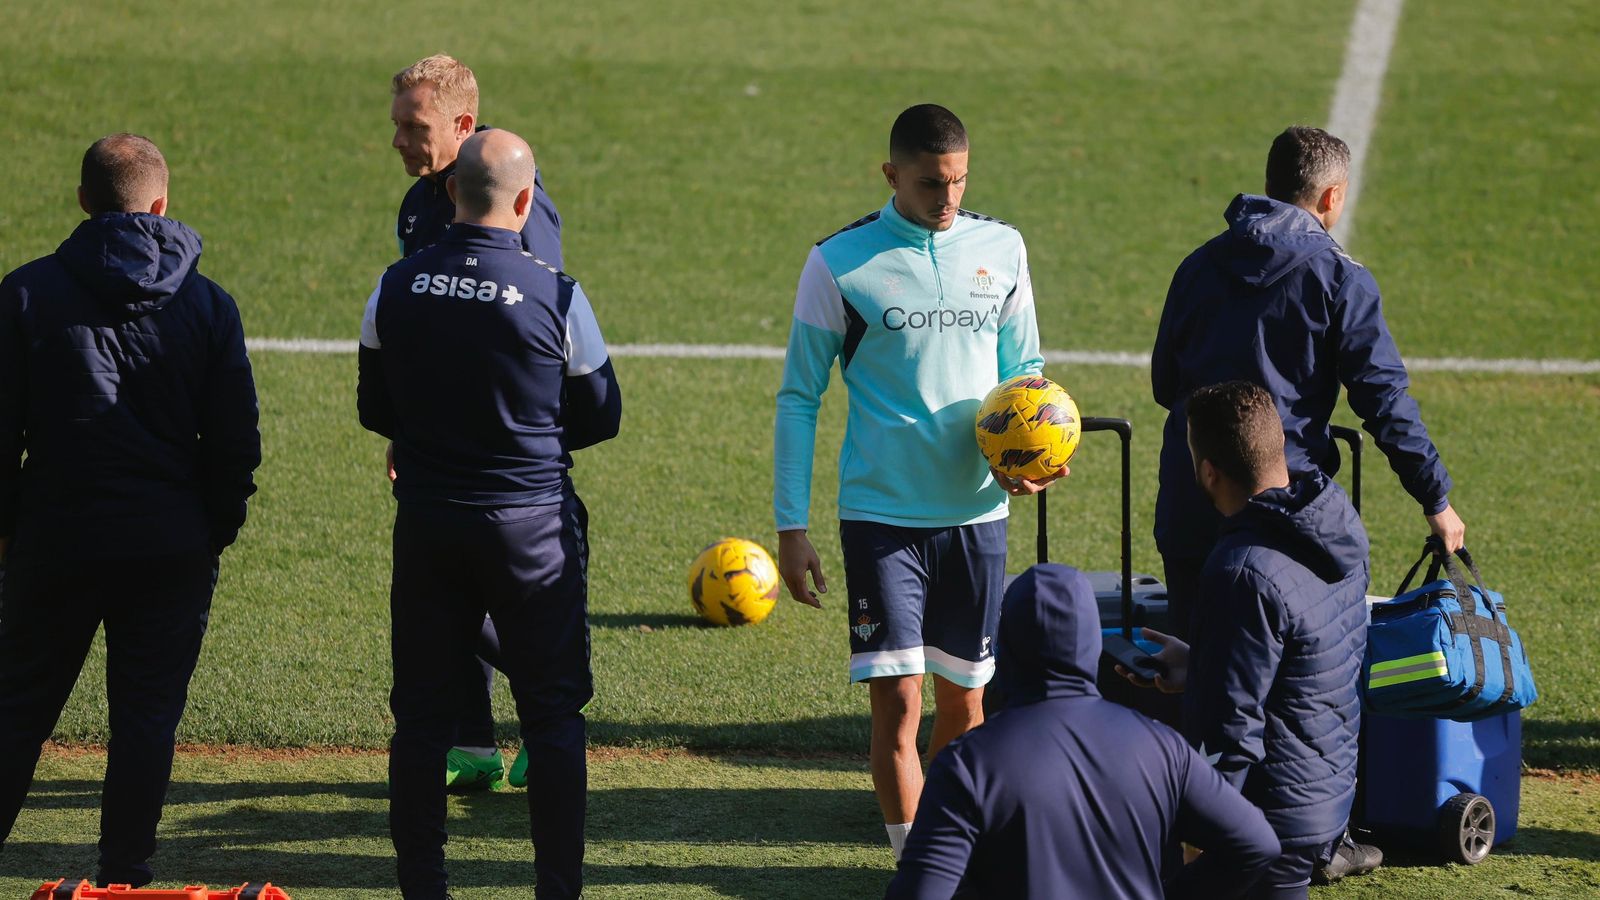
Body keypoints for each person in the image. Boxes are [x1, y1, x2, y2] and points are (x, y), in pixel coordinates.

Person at [773, 103, 1062, 861]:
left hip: (976, 515)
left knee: (965, 703)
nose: (949, 199)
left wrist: (1028, 459)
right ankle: (916, 867)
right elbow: (800, 398)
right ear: (891, 175)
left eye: (960, 181)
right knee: (897, 700)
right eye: (933, 184)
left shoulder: (1001, 248)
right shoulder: (840, 262)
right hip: (881, 517)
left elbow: (1024, 374)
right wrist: (790, 526)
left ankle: (950, 848)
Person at [358, 128, 620, 899]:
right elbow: (601, 414)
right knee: (554, 715)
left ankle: (424, 889)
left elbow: (377, 407)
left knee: (420, 719)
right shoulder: (558, 293)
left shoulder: (394, 285)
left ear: (448, 194)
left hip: (431, 520)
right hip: (531, 527)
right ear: (526, 199)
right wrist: (523, 434)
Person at [0, 133, 261, 887]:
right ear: (160, 204)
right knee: (146, 716)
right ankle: (124, 874)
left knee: (17, 707)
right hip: (170, 544)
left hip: (56, 538)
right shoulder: (210, 304)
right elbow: (235, 442)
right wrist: (214, 527)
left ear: (84, 201)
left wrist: (10, 526)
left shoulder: (24, 293)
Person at [1152, 125, 1464, 645]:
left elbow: (1166, 384)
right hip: (1284, 510)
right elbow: (1383, 400)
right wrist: (1435, 498)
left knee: (1199, 676)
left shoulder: (1197, 265)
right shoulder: (1341, 279)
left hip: (1193, 500)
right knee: (1290, 684)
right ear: (1330, 195)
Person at [887, 563, 1281, 899]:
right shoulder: (1161, 746)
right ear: (1093, 642)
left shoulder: (968, 762)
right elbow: (1255, 845)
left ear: (1007, 647)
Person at [388, 52, 566, 790]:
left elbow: (540, 316)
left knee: (487, 591)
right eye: (397, 123)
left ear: (462, 126)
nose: (398, 139)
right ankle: (472, 744)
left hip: (500, 444)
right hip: (436, 435)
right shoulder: (421, 198)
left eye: (414, 125)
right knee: (446, 585)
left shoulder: (509, 193)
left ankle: (552, 703)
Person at [1123, 381, 1370, 900]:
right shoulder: (1336, 526)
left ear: (1208, 471)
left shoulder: (1241, 572)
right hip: (1324, 795)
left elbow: (1229, 726)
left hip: (1266, 818)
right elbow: (1306, 660)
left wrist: (1203, 828)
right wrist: (1203, 664)